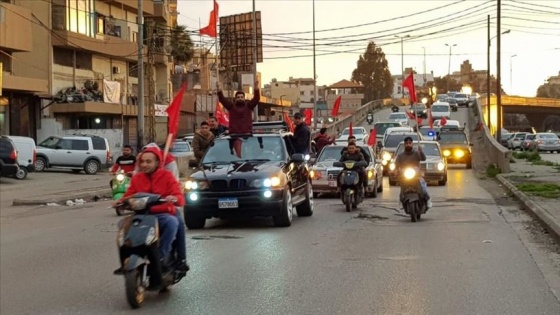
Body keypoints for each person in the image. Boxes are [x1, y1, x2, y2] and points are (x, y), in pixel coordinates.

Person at [112, 146, 186, 274]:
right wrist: (120, 202)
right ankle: (126, 259)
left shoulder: (167, 176)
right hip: (142, 215)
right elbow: (129, 195)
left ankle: (161, 256)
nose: (144, 164)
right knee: (123, 226)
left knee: (172, 223)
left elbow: (179, 197)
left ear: (157, 162)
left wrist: (173, 198)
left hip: (162, 214)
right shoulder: (137, 178)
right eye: (142, 161)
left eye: (148, 161)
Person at [394, 136, 432, 208]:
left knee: (423, 186)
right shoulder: (400, 156)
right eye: (406, 143)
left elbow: (423, 158)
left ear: (412, 144)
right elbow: (396, 166)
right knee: (402, 187)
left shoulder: (416, 153)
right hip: (405, 176)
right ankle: (402, 200)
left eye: (409, 143)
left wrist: (421, 151)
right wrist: (396, 171)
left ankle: (428, 200)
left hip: (416, 175)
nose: (408, 144)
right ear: (404, 145)